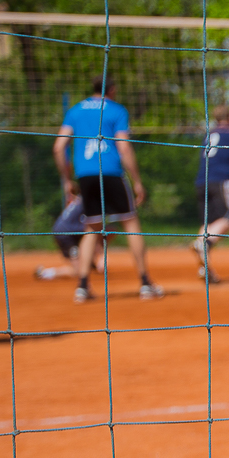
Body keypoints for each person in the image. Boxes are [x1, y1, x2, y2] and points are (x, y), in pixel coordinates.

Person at [54, 77, 160, 303]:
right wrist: (137, 180)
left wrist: (66, 179)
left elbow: (58, 147)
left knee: (91, 229)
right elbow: (123, 146)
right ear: (112, 89)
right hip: (111, 172)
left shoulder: (75, 110)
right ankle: (145, 283)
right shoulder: (117, 110)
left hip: (85, 175)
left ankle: (82, 287)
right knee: (131, 224)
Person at [191, 104, 229, 282]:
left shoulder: (208, 135)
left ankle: (206, 269)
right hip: (222, 181)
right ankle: (204, 244)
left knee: (209, 224)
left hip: (201, 182)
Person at [34, 193, 103, 280]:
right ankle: (44, 273)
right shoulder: (90, 201)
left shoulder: (83, 197)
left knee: (108, 230)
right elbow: (92, 230)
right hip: (66, 234)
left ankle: (90, 261)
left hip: (66, 231)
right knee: (78, 270)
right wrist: (102, 255)